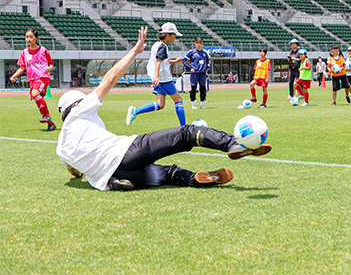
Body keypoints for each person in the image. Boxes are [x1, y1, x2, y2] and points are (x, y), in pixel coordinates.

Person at [56, 27, 272, 191]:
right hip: (128, 152)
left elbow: (75, 172)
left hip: (114, 176)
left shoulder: (62, 147)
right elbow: (110, 79)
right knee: (187, 133)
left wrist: (77, 175)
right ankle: (232, 144)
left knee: (170, 174)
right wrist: (134, 51)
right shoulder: (80, 111)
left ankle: (191, 178)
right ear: (75, 104)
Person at [126, 22, 186, 127]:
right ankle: (184, 127)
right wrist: (157, 77)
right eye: (174, 35)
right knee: (178, 100)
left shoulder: (156, 45)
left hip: (158, 79)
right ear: (168, 35)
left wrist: (175, 61)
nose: (175, 38)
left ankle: (135, 111)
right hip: (164, 79)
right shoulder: (163, 46)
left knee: (160, 104)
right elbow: (158, 61)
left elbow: (161, 61)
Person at [9, 28, 57, 131]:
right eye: (27, 37)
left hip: (42, 77)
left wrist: (49, 68)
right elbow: (22, 67)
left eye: (31, 37)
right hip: (32, 79)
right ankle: (50, 123)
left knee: (35, 94)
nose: (29, 39)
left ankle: (46, 116)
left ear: (36, 38)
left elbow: (51, 63)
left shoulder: (43, 50)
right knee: (37, 98)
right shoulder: (24, 52)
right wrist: (14, 76)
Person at [183, 37, 211, 110]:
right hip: (194, 73)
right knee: (193, 88)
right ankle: (193, 104)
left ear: (202, 44)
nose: (199, 45)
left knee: (203, 89)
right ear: (195, 44)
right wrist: (190, 68)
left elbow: (209, 62)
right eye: (197, 43)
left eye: (200, 43)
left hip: (202, 74)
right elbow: (184, 60)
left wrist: (207, 69)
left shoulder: (205, 53)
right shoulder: (192, 52)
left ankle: (202, 104)